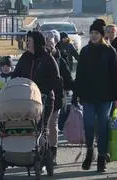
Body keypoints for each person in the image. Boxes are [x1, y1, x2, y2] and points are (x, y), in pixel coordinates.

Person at [73, 21, 117, 172]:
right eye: (92, 33)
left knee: (102, 127)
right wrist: (76, 94)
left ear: (102, 35)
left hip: (105, 97)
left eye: (97, 33)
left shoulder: (110, 51)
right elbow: (79, 75)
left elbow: (115, 76)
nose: (93, 36)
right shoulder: (85, 51)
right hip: (88, 96)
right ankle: (89, 151)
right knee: (88, 125)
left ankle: (101, 158)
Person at [12, 31, 61, 134]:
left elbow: (56, 79)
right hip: (26, 99)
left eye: (29, 41)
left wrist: (43, 91)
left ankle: (44, 147)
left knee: (40, 128)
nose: (27, 43)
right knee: (26, 128)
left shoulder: (47, 59)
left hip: (44, 99)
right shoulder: (25, 57)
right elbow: (15, 75)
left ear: (37, 42)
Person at [44, 30, 74, 165]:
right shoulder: (38, 58)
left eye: (51, 41)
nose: (48, 43)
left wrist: (77, 92)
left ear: (56, 43)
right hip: (39, 99)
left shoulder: (60, 60)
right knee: (40, 127)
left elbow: (68, 80)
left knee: (52, 125)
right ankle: (41, 152)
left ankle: (52, 154)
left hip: (56, 99)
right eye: (46, 41)